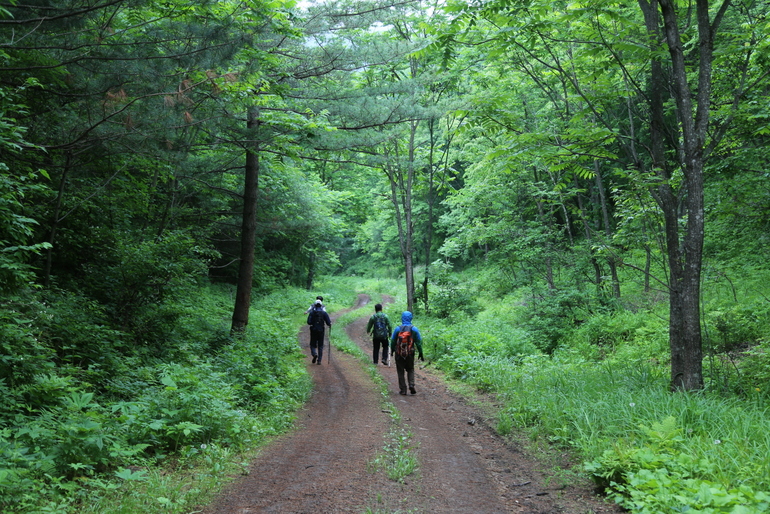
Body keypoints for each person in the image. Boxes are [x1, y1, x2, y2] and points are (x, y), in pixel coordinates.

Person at [390, 311, 424, 395]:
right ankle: (411, 385)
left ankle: (403, 389)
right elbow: (419, 342)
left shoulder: (398, 329)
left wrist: (392, 350)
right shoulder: (414, 329)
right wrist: (421, 353)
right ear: (411, 318)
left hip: (399, 353)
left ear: (402, 318)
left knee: (400, 371)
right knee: (410, 369)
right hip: (410, 353)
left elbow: (393, 341)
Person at [307, 299, 331, 364]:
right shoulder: (324, 313)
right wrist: (329, 325)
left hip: (313, 330)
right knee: (320, 345)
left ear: (314, 305)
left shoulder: (312, 313)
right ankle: (319, 361)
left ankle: (314, 353)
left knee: (312, 344)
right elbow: (328, 323)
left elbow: (308, 322)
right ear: (321, 305)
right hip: (321, 330)